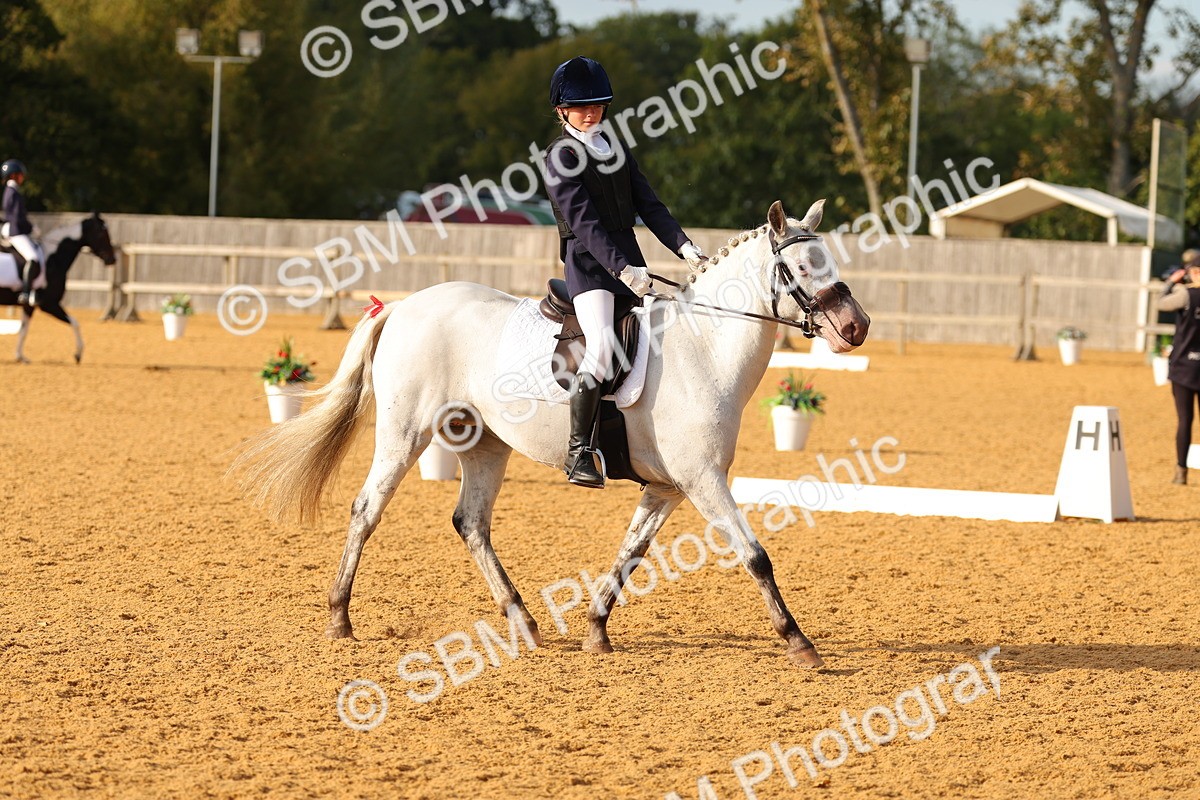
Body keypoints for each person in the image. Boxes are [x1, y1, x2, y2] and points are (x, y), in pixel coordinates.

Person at [543, 56, 707, 489]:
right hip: (591, 267)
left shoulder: (614, 147)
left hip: (628, 263)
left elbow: (648, 204)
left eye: (597, 104)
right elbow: (584, 223)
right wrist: (622, 269)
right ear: (562, 110)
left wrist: (684, 246)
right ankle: (578, 452)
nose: (591, 111)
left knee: (661, 341)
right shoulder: (560, 156)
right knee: (601, 347)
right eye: (581, 106)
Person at [1157, 248, 1200, 485]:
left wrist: (1170, 283)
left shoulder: (1186, 295)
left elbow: (1160, 304)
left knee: (1185, 420)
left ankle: (1180, 471)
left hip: (1184, 366)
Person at [1, 159, 44, 306]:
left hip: (14, 230)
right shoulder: (13, 192)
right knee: (32, 258)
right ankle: (25, 293)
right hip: (16, 232)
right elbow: (17, 217)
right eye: (20, 175)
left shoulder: (10, 192)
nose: (22, 178)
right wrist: (31, 228)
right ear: (13, 176)